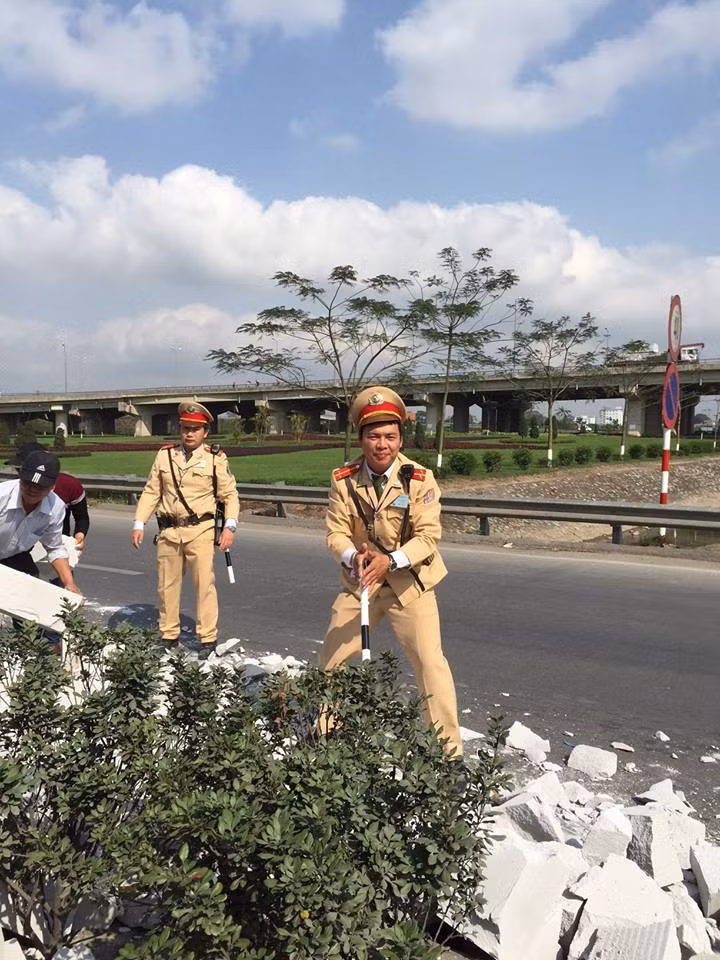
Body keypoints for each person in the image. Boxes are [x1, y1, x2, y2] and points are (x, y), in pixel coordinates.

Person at [319, 386, 463, 757]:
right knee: (332, 661)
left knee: (430, 664)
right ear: (362, 438)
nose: (381, 444)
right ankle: (323, 740)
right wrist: (353, 557)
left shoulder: (419, 479)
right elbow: (335, 532)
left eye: (389, 436)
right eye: (373, 436)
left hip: (408, 585)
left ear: (400, 438)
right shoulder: (344, 479)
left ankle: (448, 755)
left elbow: (429, 536)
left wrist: (392, 560)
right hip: (361, 584)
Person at [131, 400, 240, 658]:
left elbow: (230, 495)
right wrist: (138, 523)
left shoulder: (215, 459)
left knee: (204, 585)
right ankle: (168, 635)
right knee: (166, 586)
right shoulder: (165, 456)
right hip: (169, 531)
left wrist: (230, 528)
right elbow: (151, 491)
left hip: (200, 531)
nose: (189, 433)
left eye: (195, 429)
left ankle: (208, 638)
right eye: (185, 428)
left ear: (205, 433)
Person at [0, 449, 82, 594]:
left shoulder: (55, 508)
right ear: (20, 477)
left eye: (40, 486)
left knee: (32, 597)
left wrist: (69, 584)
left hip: (15, 556)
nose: (32, 489)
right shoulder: (2, 496)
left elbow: (55, 548)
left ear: (52, 487)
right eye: (27, 483)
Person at [6, 442, 90, 554]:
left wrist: (79, 535)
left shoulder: (70, 485)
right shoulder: (12, 490)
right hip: (20, 549)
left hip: (57, 545)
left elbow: (82, 518)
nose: (32, 487)